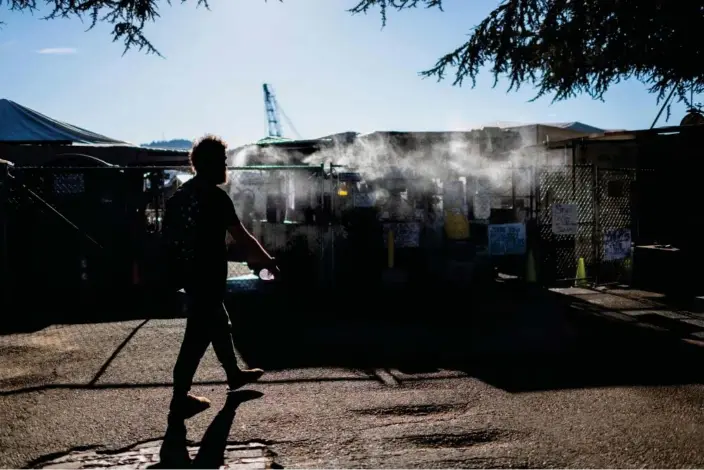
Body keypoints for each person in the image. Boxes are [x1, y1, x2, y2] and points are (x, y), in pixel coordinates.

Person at [162, 134, 279, 419]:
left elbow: (168, 240)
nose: (226, 165)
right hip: (208, 276)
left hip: (190, 276)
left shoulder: (180, 197)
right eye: (223, 160)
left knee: (219, 323)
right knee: (196, 337)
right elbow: (242, 236)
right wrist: (267, 261)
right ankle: (180, 399)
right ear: (210, 163)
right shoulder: (215, 197)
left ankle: (234, 374)